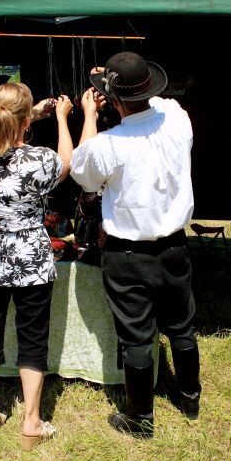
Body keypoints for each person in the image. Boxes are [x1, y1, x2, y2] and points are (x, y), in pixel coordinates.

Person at [70, 52, 201, 439]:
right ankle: (190, 399)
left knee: (137, 337)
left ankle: (141, 419)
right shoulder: (177, 119)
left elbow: (82, 172)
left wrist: (90, 114)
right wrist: (120, 84)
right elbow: (159, 102)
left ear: (114, 101)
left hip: (127, 253)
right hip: (174, 246)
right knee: (182, 325)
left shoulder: (108, 144)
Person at [0, 82, 73, 451]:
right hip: (31, 263)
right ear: (25, 121)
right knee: (32, 340)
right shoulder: (40, 160)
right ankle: (31, 422)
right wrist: (61, 118)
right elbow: (67, 162)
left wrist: (31, 115)